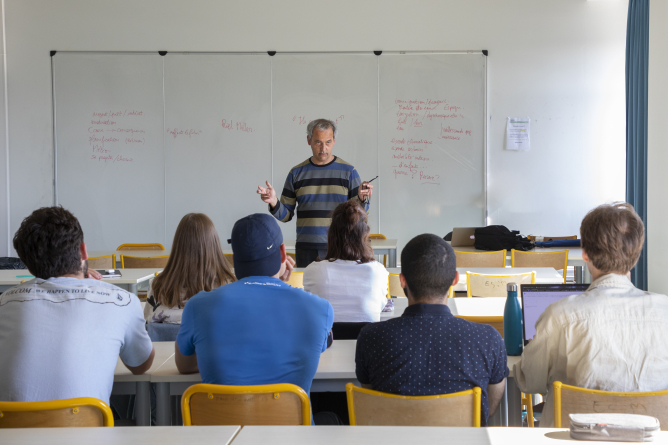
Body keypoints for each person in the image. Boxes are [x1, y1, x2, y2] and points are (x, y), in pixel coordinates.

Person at [515, 202, 668, 427]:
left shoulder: (559, 315)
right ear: (636, 254)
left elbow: (530, 382)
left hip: (569, 440)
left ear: (584, 253)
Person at [0, 206, 154, 404]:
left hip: (12, 432)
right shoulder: (122, 301)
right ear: (83, 250)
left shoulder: (5, 303)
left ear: (28, 265)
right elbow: (140, 364)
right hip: (88, 431)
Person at [175, 213, 334, 401]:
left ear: (234, 259)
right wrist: (282, 285)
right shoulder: (319, 309)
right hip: (291, 428)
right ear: (283, 253)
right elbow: (317, 347)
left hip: (222, 428)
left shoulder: (197, 307)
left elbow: (183, 366)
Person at [355, 234, 508, 425]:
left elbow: (372, 400)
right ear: (455, 279)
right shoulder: (488, 339)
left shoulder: (371, 337)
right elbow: (488, 410)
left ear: (402, 280)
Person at [257, 118, 374, 267]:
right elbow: (286, 216)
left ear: (334, 141)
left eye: (328, 142)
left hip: (341, 247)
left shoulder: (349, 172)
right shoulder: (296, 173)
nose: (323, 148)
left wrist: (363, 200)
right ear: (309, 140)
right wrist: (273, 202)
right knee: (306, 289)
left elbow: (358, 216)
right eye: (318, 142)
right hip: (307, 248)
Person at [303, 200, 388, 323]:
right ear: (365, 235)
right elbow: (379, 307)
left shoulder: (313, 271)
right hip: (365, 342)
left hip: (328, 342)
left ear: (331, 234)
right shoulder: (378, 272)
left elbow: (310, 309)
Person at [144, 213, 236, 324]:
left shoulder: (157, 286)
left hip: (168, 341)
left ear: (178, 245)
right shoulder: (230, 285)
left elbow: (148, 326)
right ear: (214, 245)